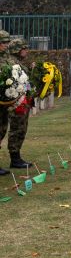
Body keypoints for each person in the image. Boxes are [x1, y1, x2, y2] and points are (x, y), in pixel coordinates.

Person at [6, 39, 33, 169]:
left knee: (21, 128)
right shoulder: (12, 63)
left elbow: (25, 81)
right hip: (16, 103)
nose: (26, 51)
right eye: (24, 48)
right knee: (17, 128)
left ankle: (16, 157)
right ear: (17, 50)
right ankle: (15, 158)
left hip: (22, 101)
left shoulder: (19, 63)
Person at [0, 31, 12, 175]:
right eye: (3, 42)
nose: (6, 45)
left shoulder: (7, 57)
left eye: (7, 42)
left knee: (2, 130)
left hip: (4, 102)